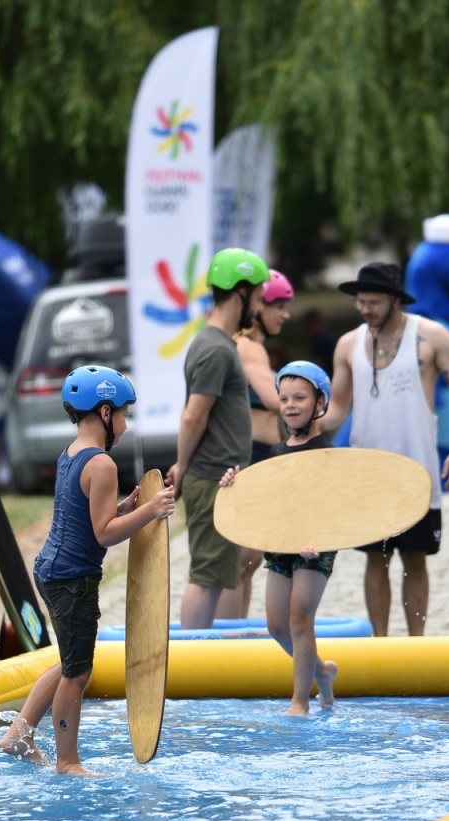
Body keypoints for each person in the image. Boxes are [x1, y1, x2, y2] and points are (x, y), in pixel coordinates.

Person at [0, 367, 177, 772]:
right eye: (125, 415)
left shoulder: (72, 454)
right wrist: (150, 510)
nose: (127, 425)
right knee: (78, 674)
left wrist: (127, 507)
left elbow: (86, 515)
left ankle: (18, 734)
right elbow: (105, 533)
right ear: (106, 411)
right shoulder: (104, 465)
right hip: (73, 580)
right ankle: (67, 761)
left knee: (68, 662)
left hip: (51, 570)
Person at [323, 263, 449, 636]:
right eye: (360, 302)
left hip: (417, 469)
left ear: (395, 300)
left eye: (373, 302)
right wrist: (303, 425)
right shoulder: (348, 344)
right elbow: (337, 409)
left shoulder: (431, 336)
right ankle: (379, 642)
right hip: (368, 471)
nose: (365, 310)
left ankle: (416, 644)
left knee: (415, 558)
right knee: (376, 557)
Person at [219, 361, 339, 716]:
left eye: (300, 397)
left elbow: (337, 501)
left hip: (315, 547)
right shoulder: (276, 452)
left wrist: (315, 536)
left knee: (300, 618)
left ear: (320, 403)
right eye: (284, 397)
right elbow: (269, 501)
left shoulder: (326, 453)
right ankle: (321, 670)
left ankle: (299, 700)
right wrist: (235, 485)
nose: (290, 404)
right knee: (275, 625)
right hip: (283, 545)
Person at [169, 248, 268, 630]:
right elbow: (194, 415)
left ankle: (223, 663)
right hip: (211, 476)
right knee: (207, 575)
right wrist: (182, 466)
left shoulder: (218, 344)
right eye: (258, 297)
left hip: (220, 476)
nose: (259, 307)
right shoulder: (214, 348)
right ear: (240, 293)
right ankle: (193, 669)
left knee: (228, 570)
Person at [218, 269, 294, 621]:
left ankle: (239, 633)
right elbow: (276, 399)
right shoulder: (249, 347)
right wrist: (315, 399)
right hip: (251, 454)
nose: (285, 314)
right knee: (241, 560)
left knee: (249, 560)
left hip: (259, 454)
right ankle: (230, 644)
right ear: (259, 305)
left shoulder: (253, 346)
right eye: (278, 306)